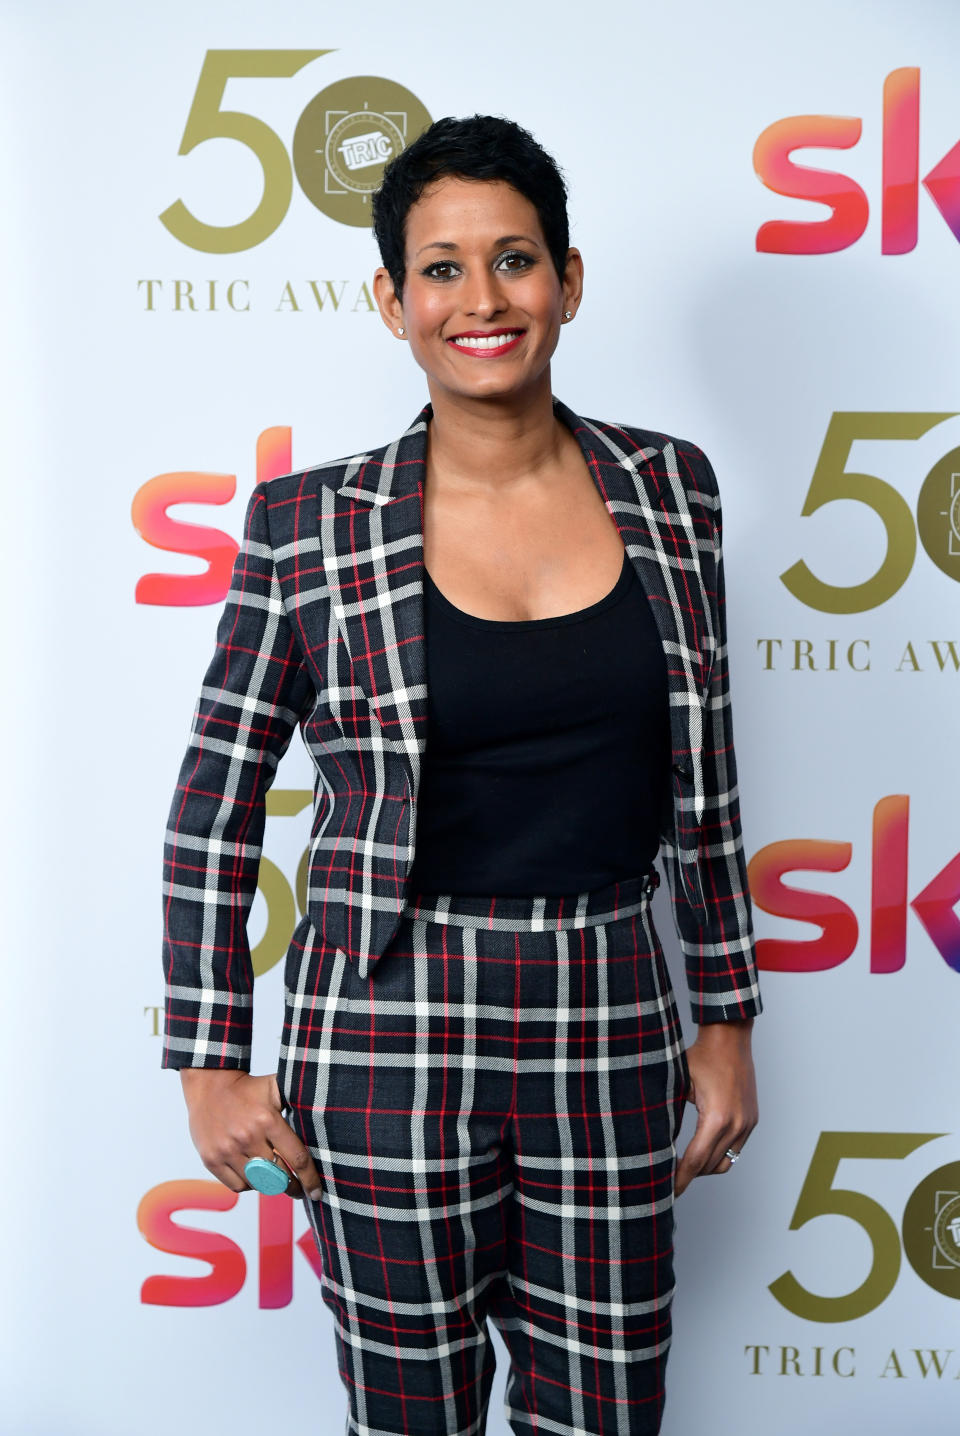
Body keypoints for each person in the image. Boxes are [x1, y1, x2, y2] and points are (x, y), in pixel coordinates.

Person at [162, 114, 761, 1436]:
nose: (481, 299)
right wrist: (210, 1061)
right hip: (384, 1014)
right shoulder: (308, 525)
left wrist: (725, 1017)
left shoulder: (674, 491)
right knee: (411, 1408)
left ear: (569, 280)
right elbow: (215, 806)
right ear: (392, 299)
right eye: (440, 269)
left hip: (608, 998)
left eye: (514, 260)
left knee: (606, 1407)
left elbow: (705, 781)